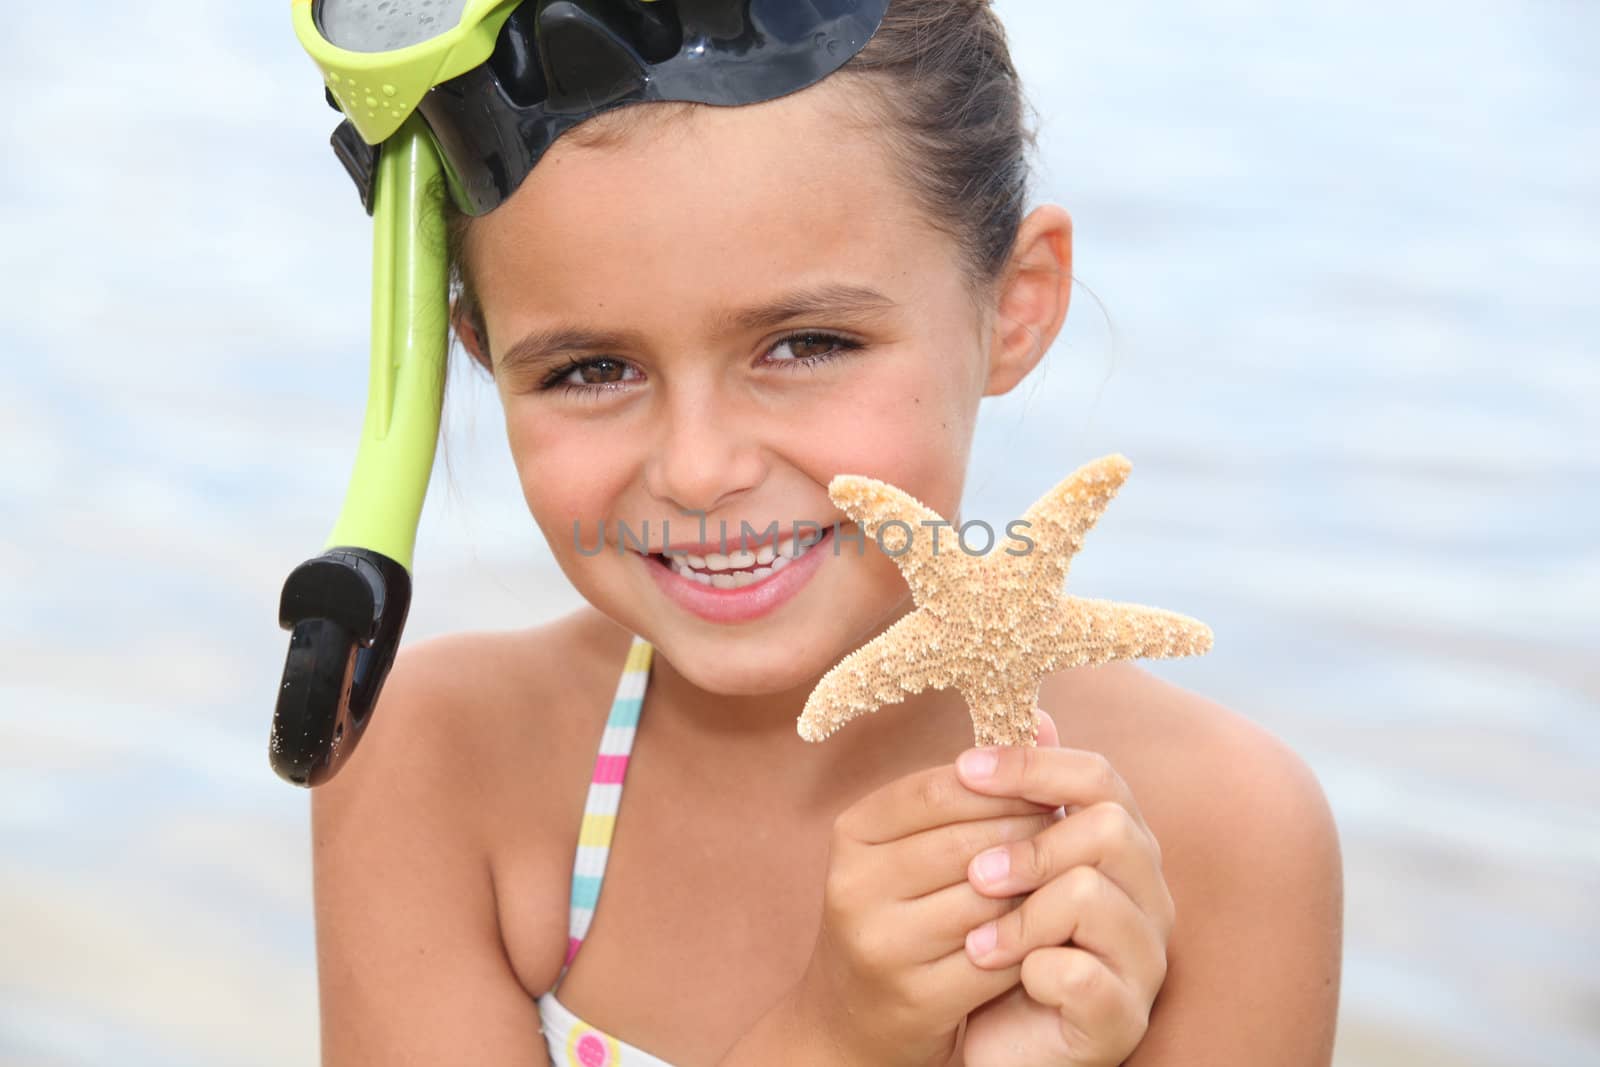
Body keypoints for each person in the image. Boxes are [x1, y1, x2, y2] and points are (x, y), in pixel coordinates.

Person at [308, 2, 1343, 1064]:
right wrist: (836, 1037)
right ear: (477, 353)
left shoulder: (1224, 833)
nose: (700, 469)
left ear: (1018, 305)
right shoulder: (434, 760)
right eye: (591, 369)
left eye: (805, 344)